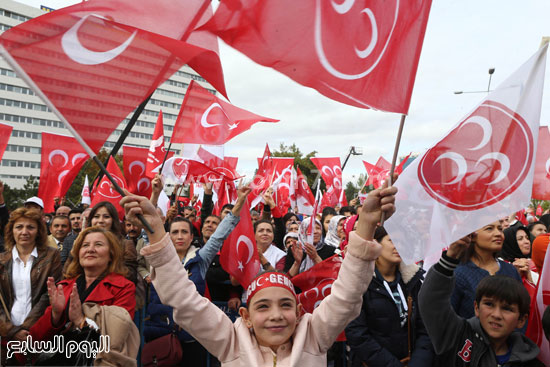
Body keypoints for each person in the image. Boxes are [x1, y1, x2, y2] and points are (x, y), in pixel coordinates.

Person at [121, 176, 397, 366]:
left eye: (286, 305)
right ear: (245, 316)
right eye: (262, 306)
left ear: (300, 311)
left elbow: (348, 294)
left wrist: (366, 226)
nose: (276, 315)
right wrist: (158, 233)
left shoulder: (315, 333)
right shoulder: (230, 341)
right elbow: (183, 298)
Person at [145, 185, 251, 365]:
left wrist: (240, 201)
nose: (179, 236)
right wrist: (154, 194)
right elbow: (147, 225)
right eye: (175, 232)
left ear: (192, 235)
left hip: (193, 336)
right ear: (167, 236)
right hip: (159, 334)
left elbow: (219, 235)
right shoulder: (158, 258)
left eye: (184, 232)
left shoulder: (200, 259)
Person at [419, 237, 542, 366]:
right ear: (476, 308)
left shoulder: (530, 360)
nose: (496, 315)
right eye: (489, 304)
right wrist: (450, 258)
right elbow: (431, 303)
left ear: (522, 320)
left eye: (507, 309)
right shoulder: (457, 337)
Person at [30, 226, 138, 366]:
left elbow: (118, 337)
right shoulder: (65, 286)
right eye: (85, 245)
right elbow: (37, 339)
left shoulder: (124, 287)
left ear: (111, 254)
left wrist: (81, 322)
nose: (90, 249)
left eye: (98, 244)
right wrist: (55, 316)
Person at [345, 226, 434, 367]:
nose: (399, 246)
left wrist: (418, 362)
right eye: (393, 240)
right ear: (375, 244)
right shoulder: (359, 282)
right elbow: (357, 334)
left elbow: (425, 328)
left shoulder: (413, 279)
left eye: (403, 242)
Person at [0, 207, 62, 365]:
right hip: (6, 337)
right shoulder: (1, 260)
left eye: (30, 227)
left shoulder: (51, 255)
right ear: (11, 230)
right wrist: (12, 331)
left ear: (39, 231)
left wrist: (27, 330)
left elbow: (48, 296)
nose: (24, 232)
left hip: (39, 333)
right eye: (19, 227)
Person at [451, 220, 521, 319]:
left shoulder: (511, 270)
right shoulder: (458, 273)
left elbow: (520, 310)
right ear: (472, 235)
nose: (498, 234)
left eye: (500, 229)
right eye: (489, 228)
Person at [63, 202, 138, 284]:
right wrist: (74, 251)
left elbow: (131, 276)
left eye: (106, 217)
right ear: (91, 220)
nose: (100, 221)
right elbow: (68, 273)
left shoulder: (125, 244)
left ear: (113, 220)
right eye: (96, 217)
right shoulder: (80, 242)